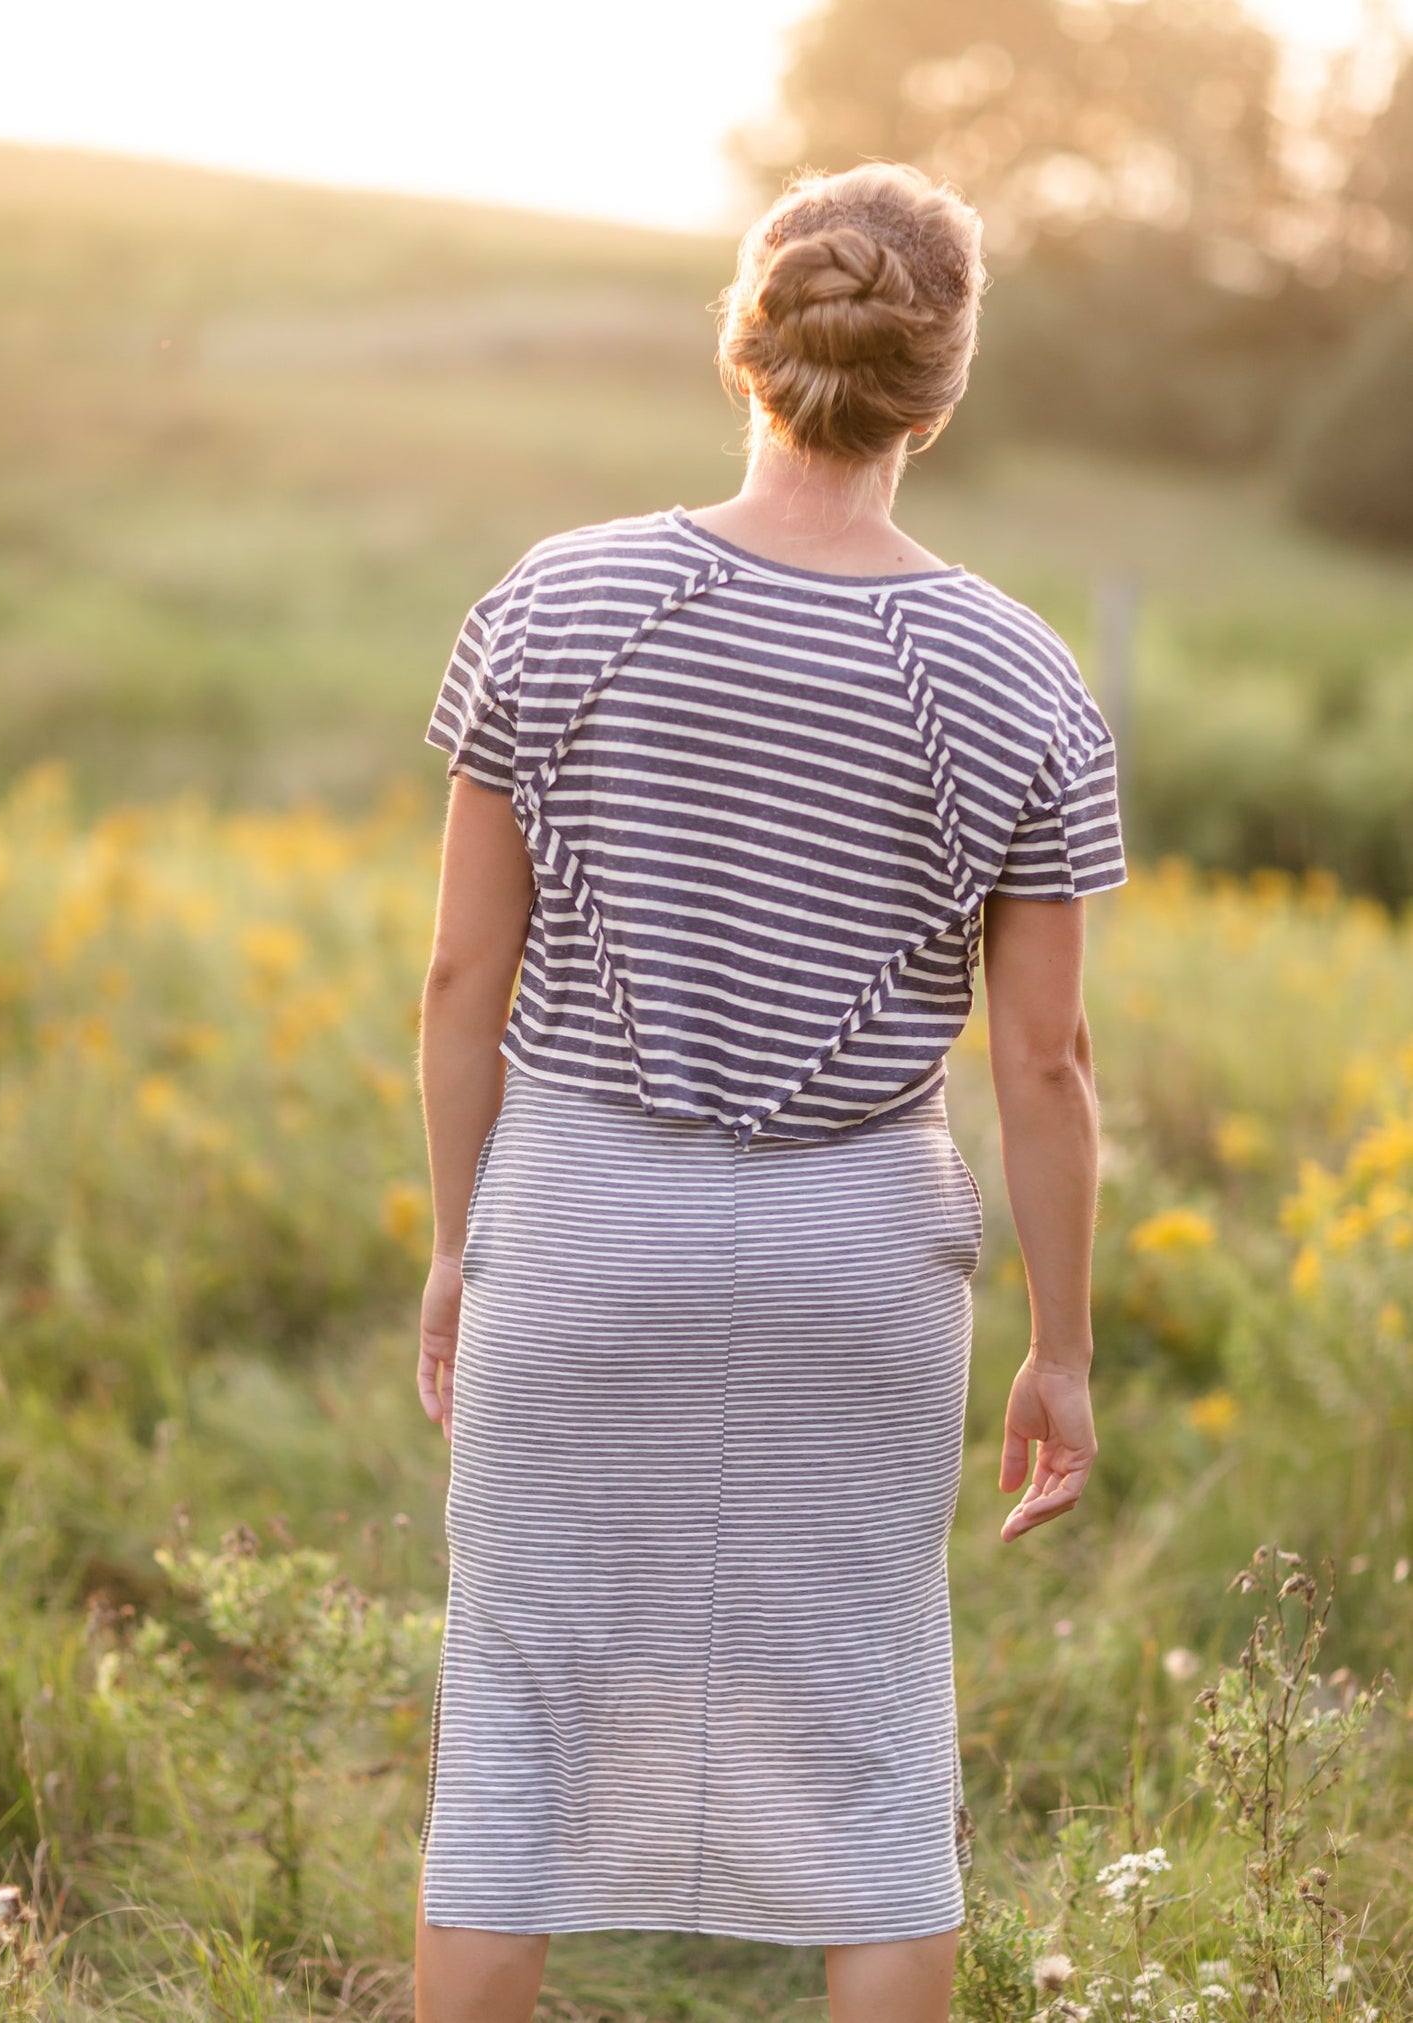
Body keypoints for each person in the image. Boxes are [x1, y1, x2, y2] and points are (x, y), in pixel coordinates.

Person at [412, 160, 1127, 2023]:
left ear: (745, 346)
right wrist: (1059, 1344)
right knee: (872, 1755)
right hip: (855, 1257)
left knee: (514, 1743)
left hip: (574, 1225)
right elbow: (1040, 1065)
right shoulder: (1019, 674)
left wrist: (458, 1243)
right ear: (939, 390)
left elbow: (458, 978)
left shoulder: (556, 601)